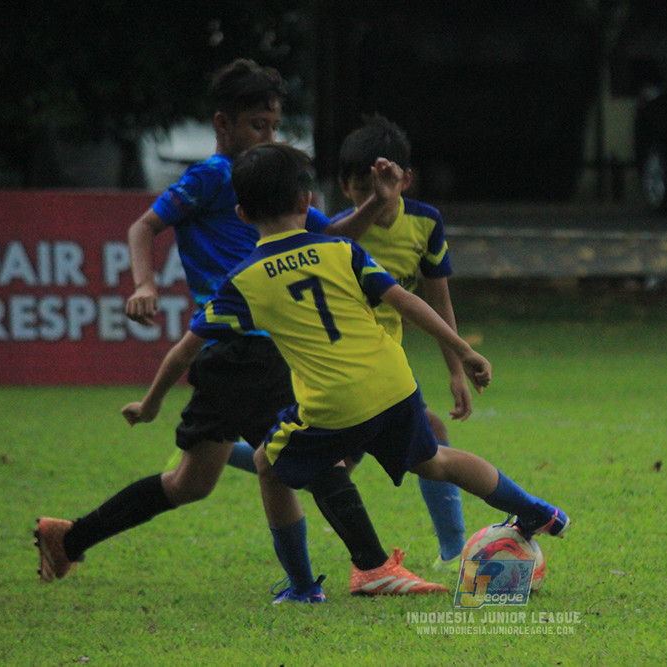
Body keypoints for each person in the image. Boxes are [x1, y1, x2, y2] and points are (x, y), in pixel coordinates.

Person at [34, 59, 446, 602]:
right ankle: (370, 567)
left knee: (189, 482)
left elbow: (334, 235)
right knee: (309, 457)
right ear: (222, 124)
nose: (268, 136)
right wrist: (144, 283)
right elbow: (143, 226)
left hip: (230, 355)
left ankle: (68, 539)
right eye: (258, 125)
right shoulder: (211, 178)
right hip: (243, 348)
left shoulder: (272, 181)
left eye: (274, 126)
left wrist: (377, 202)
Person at [116, 143, 570, 599]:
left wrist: (150, 404)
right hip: (394, 383)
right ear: (306, 202)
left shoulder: (243, 282)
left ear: (241, 214)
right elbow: (405, 301)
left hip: (333, 403)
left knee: (267, 465)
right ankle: (538, 511)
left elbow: (184, 353)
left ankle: (302, 588)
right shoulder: (341, 250)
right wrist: (463, 350)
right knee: (435, 461)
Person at [332, 113, 468, 572]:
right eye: (360, 187)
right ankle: (451, 553)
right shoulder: (338, 233)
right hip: (347, 360)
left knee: (328, 462)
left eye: (381, 185)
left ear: (404, 179)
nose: (372, 196)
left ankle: (217, 455)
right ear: (345, 187)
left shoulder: (425, 223)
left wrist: (456, 369)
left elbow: (438, 300)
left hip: (387, 358)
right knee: (427, 435)